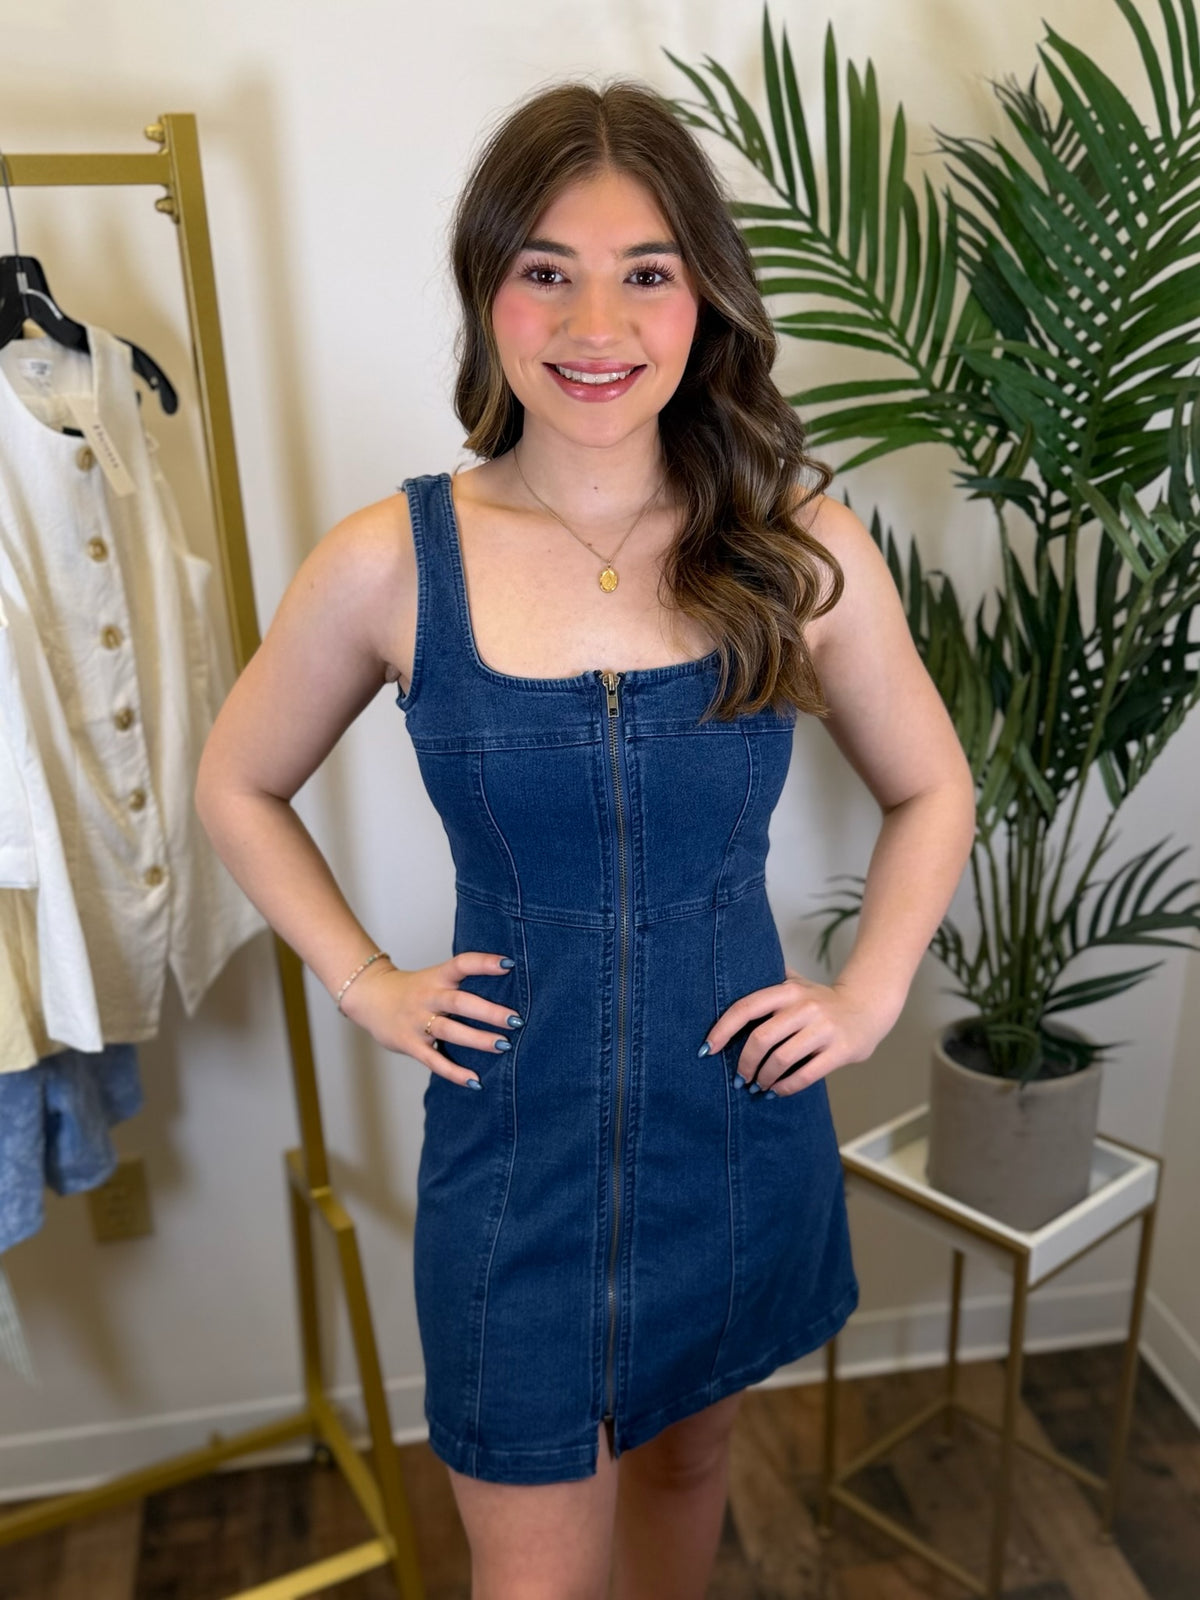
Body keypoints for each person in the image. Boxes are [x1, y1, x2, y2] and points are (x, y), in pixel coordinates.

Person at [195, 77, 976, 1600]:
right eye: (544, 268)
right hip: (517, 1156)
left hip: (738, 1129)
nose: (594, 321)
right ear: (488, 292)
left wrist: (867, 993)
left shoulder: (798, 537)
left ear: (707, 298)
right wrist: (365, 980)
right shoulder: (388, 561)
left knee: (690, 1468)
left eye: (646, 271)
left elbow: (929, 785)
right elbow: (238, 781)